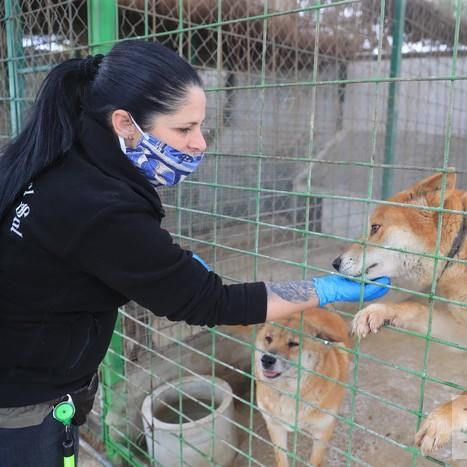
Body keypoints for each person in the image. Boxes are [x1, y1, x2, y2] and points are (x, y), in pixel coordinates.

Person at [0, 40, 390, 466]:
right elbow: (212, 301)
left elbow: (78, 258)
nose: (200, 143)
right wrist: (324, 289)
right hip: (25, 404)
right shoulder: (102, 206)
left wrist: (158, 264)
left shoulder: (57, 158)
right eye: (184, 129)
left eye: (200, 126)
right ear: (125, 125)